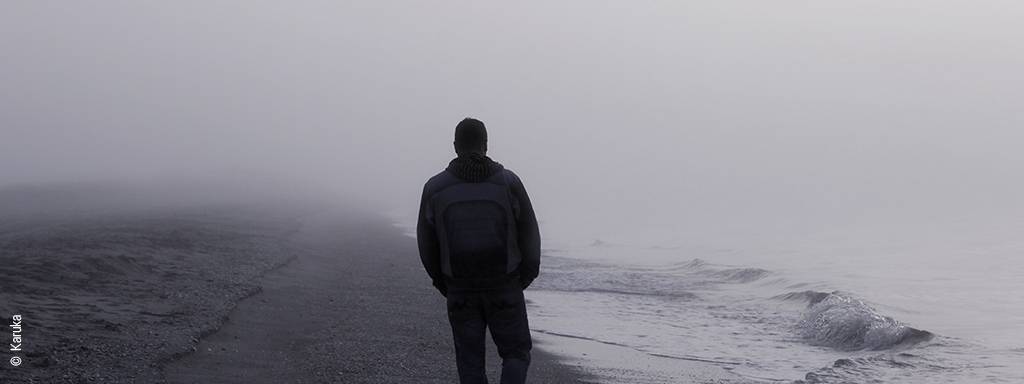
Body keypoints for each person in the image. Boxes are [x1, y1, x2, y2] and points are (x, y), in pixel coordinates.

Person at [417, 118, 541, 384]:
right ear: (486, 144)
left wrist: (443, 282)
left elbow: (426, 244)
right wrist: (524, 277)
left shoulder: (435, 188)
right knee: (516, 354)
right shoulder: (509, 183)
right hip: (505, 286)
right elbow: (530, 232)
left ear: (454, 146)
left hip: (460, 290)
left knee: (470, 363)